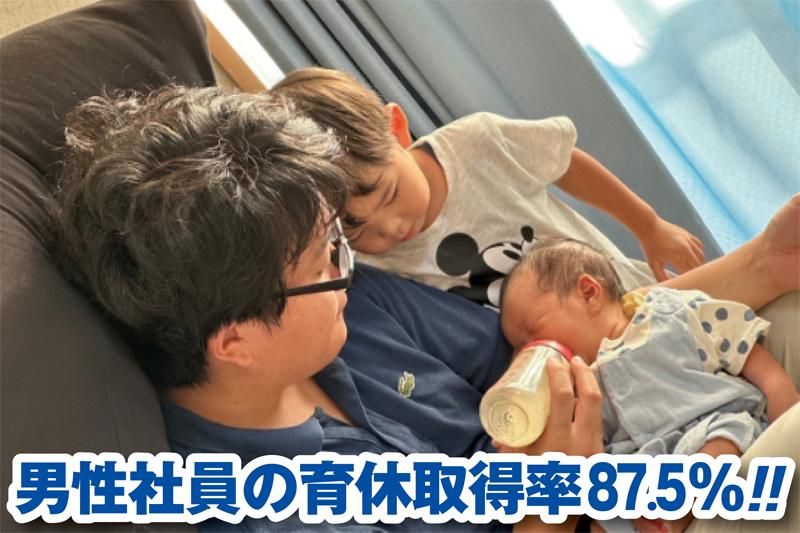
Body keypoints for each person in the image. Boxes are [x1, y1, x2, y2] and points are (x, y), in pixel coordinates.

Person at [53, 85, 800, 532]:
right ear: (238, 340)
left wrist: (756, 266)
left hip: (641, 438)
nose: (352, 266)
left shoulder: (358, 313)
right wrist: (552, 498)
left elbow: (568, 339)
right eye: (328, 259)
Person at [270, 67, 704, 308]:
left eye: (390, 194)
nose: (390, 228)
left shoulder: (478, 142)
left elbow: (565, 162)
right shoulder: (365, 264)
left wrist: (648, 225)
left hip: (627, 294)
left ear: (397, 129)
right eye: (356, 227)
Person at [501, 239, 799, 531]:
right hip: (640, 462)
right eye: (520, 348)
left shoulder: (668, 313)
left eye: (534, 332)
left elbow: (740, 346)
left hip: (705, 426)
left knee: (720, 444)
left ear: (589, 293)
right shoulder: (571, 391)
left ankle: (673, 513)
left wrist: (779, 392)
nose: (531, 352)